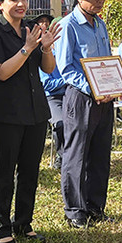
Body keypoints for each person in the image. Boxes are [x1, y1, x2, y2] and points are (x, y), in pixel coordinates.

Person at [0, 0, 59, 243]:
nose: (21, 4)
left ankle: (23, 223)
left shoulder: (31, 29)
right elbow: (0, 72)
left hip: (36, 111)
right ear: (0, 4)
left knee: (29, 171)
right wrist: (27, 48)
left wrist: (45, 48)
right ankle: (3, 228)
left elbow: (48, 69)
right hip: (7, 112)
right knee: (4, 171)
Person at [54, 0, 118, 228]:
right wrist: (92, 88)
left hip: (105, 97)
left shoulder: (100, 24)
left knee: (100, 154)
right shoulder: (68, 25)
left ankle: (95, 206)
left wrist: (115, 85)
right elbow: (66, 68)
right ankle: (75, 210)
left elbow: (107, 61)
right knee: (76, 155)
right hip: (81, 98)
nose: (100, 0)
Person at [39, 17, 67, 170]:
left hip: (71, 94)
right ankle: (61, 156)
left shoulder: (71, 53)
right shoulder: (47, 52)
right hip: (53, 97)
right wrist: (67, 80)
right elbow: (47, 83)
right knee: (60, 123)